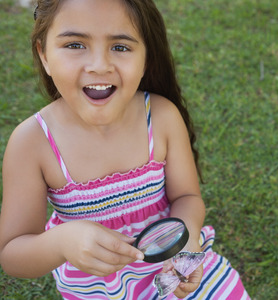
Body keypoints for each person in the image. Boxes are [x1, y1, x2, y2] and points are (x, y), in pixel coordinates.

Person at [0, 0, 250, 299]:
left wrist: (186, 240)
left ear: (146, 59)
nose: (99, 65)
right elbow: (12, 253)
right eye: (75, 44)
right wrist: (62, 242)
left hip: (172, 267)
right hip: (99, 289)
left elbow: (187, 197)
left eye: (120, 47)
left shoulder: (161, 117)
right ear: (44, 56)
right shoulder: (32, 142)